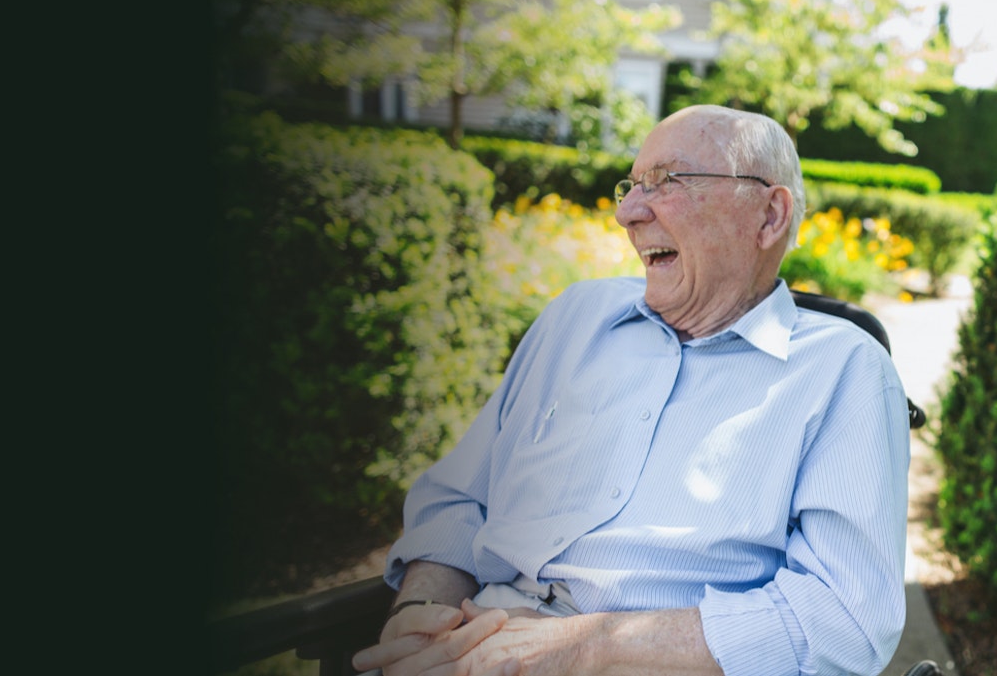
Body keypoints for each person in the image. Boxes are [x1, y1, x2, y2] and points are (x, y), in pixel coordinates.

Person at [352, 105, 911, 676]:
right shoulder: (576, 316)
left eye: (666, 181)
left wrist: (590, 644)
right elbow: (458, 497)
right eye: (632, 185)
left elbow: (847, 619)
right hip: (468, 646)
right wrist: (424, 610)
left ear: (769, 215)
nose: (626, 213)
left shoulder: (842, 370)